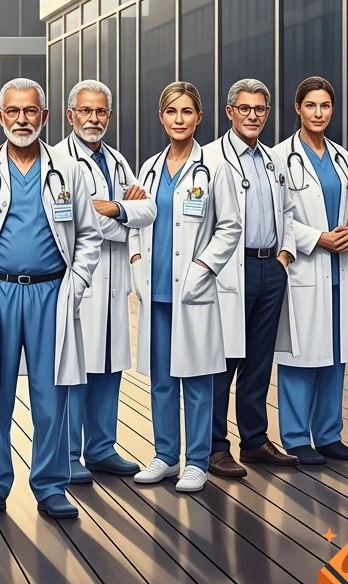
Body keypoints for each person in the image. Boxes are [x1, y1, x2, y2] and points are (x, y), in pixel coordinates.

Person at [0, 78, 101, 520]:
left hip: (52, 293)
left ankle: (50, 487)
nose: (22, 120)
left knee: (52, 396)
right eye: (12, 111)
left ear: (45, 117)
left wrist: (77, 282)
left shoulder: (68, 170)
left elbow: (89, 236)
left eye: (31, 111)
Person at [130, 82, 241, 492]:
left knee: (196, 378)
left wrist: (202, 267)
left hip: (193, 290)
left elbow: (230, 227)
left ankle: (196, 461)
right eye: (172, 112)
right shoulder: (148, 168)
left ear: (199, 117)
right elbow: (136, 219)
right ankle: (164, 455)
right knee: (161, 379)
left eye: (187, 112)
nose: (179, 119)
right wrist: (136, 261)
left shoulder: (214, 167)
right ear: (161, 117)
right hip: (155, 289)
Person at [54, 80, 154, 482]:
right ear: (70, 115)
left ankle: (101, 448)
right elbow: (72, 222)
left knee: (110, 368)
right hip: (80, 281)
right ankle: (66, 456)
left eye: (100, 112)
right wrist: (124, 213)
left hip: (113, 284)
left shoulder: (117, 160)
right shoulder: (57, 161)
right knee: (75, 370)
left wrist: (113, 207)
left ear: (109, 116)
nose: (93, 118)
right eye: (85, 111)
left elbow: (149, 211)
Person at [202, 79, 299, 478]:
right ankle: (213, 446)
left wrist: (284, 256)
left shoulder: (274, 160)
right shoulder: (210, 158)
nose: (253, 116)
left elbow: (288, 210)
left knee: (259, 361)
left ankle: (255, 440)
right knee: (222, 361)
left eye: (260, 109)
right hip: (229, 269)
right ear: (230, 112)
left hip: (269, 268)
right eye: (244, 108)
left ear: (267, 113)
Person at [275, 77, 348, 465]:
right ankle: (296, 438)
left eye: (325, 106)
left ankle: (328, 435)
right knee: (300, 355)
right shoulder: (279, 157)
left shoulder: (343, 158)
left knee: (335, 353)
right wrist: (317, 238)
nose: (318, 113)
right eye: (311, 105)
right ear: (298, 108)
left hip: (340, 269)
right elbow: (276, 218)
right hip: (304, 269)